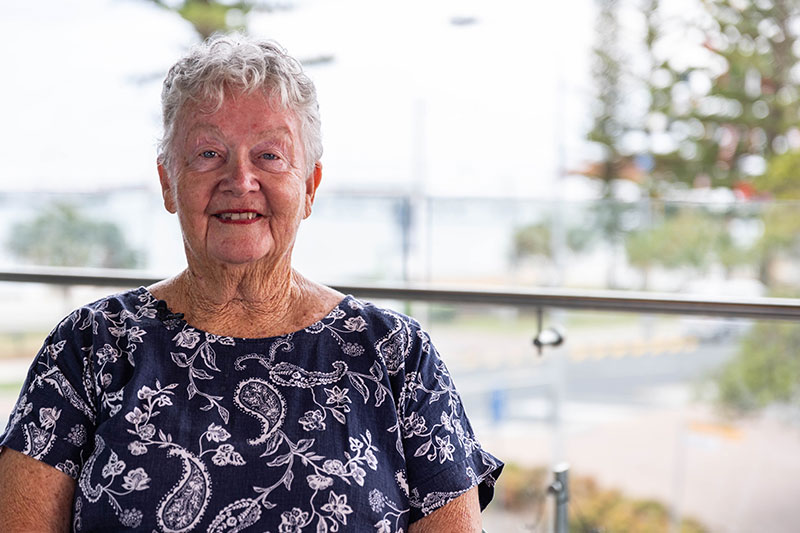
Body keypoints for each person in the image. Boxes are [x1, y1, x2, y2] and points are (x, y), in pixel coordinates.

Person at [0, 34, 502, 532]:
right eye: (208, 153)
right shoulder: (89, 346)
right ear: (168, 182)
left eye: (269, 155)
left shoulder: (396, 354)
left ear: (309, 187)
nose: (240, 180)